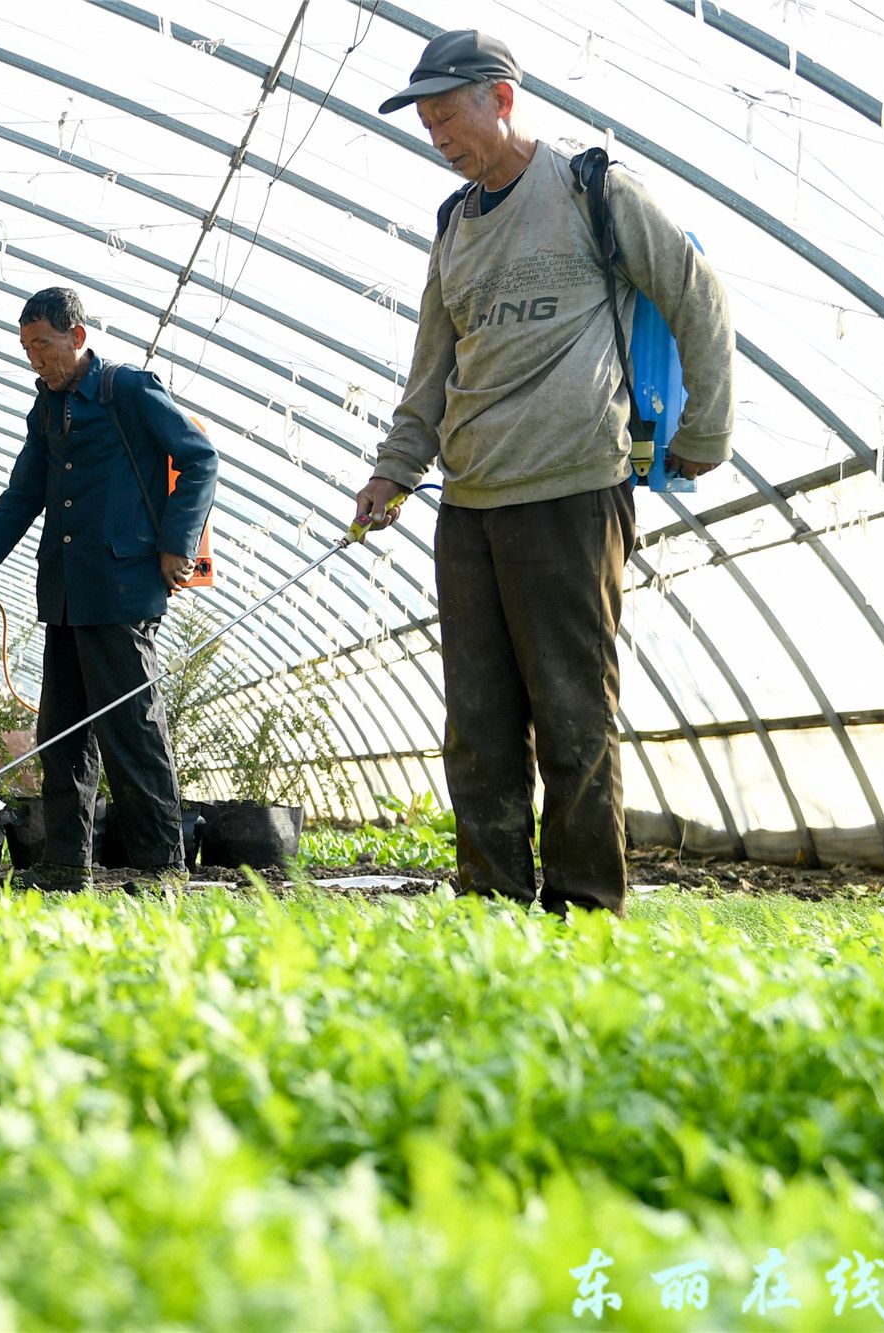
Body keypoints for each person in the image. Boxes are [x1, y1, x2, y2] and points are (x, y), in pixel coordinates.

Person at [356, 30, 733, 915]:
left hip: (570, 489)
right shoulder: (454, 225)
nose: (438, 134)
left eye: (449, 114)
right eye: (426, 121)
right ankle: (490, 905)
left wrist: (705, 429)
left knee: (572, 714)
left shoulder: (589, 189)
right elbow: (430, 373)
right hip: (471, 502)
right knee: (478, 727)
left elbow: (695, 290)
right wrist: (394, 471)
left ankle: (583, 908)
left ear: (502, 98)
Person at [0, 287, 218, 888]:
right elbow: (22, 498)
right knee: (61, 735)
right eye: (27, 349)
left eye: (43, 345)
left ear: (77, 337)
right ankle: (67, 864)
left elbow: (200, 459)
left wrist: (179, 542)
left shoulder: (129, 391)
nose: (36, 359)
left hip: (120, 589)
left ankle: (162, 867)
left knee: (130, 730)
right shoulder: (45, 411)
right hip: (64, 595)